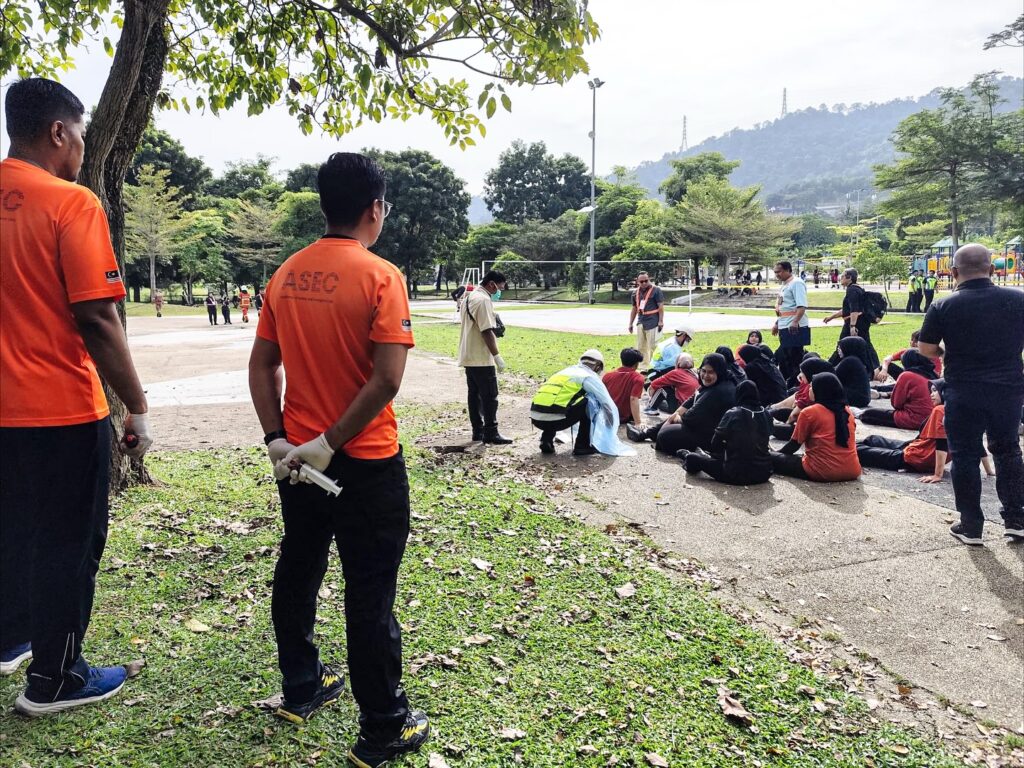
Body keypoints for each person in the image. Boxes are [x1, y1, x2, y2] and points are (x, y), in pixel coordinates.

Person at [247, 152, 430, 762]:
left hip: (297, 461)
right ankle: (384, 725)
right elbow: (385, 380)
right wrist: (331, 443)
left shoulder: (286, 274)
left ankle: (302, 684)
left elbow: (262, 363)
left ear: (326, 203)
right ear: (374, 209)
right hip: (365, 461)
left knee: (299, 569)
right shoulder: (381, 275)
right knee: (369, 592)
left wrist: (279, 438)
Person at [0, 77, 153, 715]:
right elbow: (97, 318)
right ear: (60, 132)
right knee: (68, 541)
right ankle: (55, 679)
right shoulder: (71, 204)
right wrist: (136, 405)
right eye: (81, 133)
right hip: (58, 408)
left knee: (10, 530)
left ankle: (11, 638)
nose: (84, 146)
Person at [918, 243, 1024, 544]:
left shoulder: (943, 305)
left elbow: (925, 349)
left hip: (963, 388)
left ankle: (971, 525)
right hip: (1007, 389)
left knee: (964, 454)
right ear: (992, 270)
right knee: (1008, 450)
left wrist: (949, 352)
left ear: (953, 273)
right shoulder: (1018, 299)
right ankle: (1016, 518)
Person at [857, 378, 995, 481]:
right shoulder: (965, 412)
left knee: (859, 450)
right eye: (931, 391)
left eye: (935, 391)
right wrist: (989, 471)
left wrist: (937, 475)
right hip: (917, 450)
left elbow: (942, 442)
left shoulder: (941, 410)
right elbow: (977, 443)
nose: (931, 395)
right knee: (872, 439)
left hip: (916, 458)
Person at [529, 350, 635, 457]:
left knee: (556, 404)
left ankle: (546, 439)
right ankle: (582, 446)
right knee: (589, 402)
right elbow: (605, 403)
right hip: (557, 421)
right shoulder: (587, 376)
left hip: (536, 418)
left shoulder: (564, 372)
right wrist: (610, 425)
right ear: (598, 367)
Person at [627, 353, 737, 455]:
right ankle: (647, 433)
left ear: (719, 371)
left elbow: (690, 417)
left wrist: (674, 419)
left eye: (711, 372)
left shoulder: (718, 391)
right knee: (667, 428)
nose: (706, 375)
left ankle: (648, 433)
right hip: (702, 424)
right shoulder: (715, 383)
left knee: (665, 435)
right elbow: (692, 398)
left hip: (710, 435)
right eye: (703, 371)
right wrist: (676, 414)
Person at [770, 373, 861, 482]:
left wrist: (776, 454)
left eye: (812, 387)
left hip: (822, 471)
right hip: (852, 470)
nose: (809, 389)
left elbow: (793, 446)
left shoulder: (810, 412)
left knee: (766, 457)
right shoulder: (847, 411)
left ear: (820, 390)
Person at [680, 380, 773, 486]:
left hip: (735, 474)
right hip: (764, 473)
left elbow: (715, 444)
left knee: (693, 458)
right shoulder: (766, 414)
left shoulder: (733, 413)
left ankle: (688, 457)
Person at [457, 270, 511, 444]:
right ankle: (491, 432)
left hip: (469, 355)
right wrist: (497, 356)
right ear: (491, 284)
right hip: (481, 357)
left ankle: (477, 431)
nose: (499, 291)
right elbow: (486, 331)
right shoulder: (483, 300)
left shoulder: (469, 297)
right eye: (500, 287)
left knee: (474, 396)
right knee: (490, 396)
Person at [859, 349, 935, 429]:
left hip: (915, 419)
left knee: (869, 414)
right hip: (931, 420)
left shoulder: (907, 375)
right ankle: (882, 394)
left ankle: (857, 412)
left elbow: (896, 403)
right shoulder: (932, 374)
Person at [823, 268, 880, 372]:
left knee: (843, 345)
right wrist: (831, 317)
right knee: (866, 344)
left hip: (855, 323)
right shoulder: (857, 289)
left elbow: (854, 310)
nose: (841, 277)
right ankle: (874, 368)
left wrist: (852, 326)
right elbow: (847, 310)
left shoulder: (852, 290)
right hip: (860, 322)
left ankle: (829, 367)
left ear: (849, 278)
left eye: (843, 276)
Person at [771, 261, 810, 386]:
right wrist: (777, 323)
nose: (777, 275)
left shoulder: (797, 283)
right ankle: (789, 382)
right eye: (775, 272)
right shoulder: (785, 285)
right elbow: (784, 308)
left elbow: (801, 306)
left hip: (794, 327)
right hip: (784, 324)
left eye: (779, 271)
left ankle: (797, 384)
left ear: (788, 270)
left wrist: (795, 322)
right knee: (786, 357)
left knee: (794, 358)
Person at [628, 272, 664, 367]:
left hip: (653, 322)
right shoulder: (635, 292)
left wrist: (661, 321)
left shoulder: (656, 290)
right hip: (641, 322)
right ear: (637, 282)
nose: (644, 283)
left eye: (646, 281)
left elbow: (661, 306)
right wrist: (630, 323)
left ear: (649, 280)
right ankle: (643, 366)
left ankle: (654, 366)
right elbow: (634, 308)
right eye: (641, 281)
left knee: (653, 346)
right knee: (641, 346)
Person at [602, 348, 645, 425]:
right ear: (636, 364)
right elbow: (633, 399)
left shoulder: (607, 376)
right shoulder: (638, 378)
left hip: (607, 416)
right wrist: (638, 423)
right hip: (623, 418)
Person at [833, 336, 873, 408]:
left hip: (857, 399)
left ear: (849, 348)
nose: (838, 350)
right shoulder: (857, 360)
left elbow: (833, 376)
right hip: (863, 397)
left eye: (840, 347)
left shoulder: (850, 361)